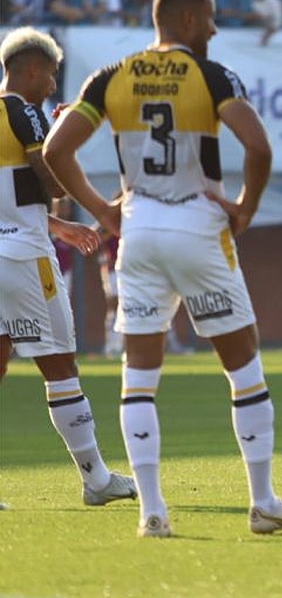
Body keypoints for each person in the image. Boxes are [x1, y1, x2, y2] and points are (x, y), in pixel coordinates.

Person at [42, 0, 282, 537]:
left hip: (136, 233)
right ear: (188, 19)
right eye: (209, 16)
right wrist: (245, 208)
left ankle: (152, 512)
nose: (214, 27)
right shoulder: (212, 76)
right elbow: (257, 146)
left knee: (138, 377)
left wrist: (104, 211)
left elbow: (55, 149)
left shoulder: (110, 77)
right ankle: (261, 502)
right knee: (244, 370)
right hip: (197, 226)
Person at [0, 26, 137, 507]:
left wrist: (57, 228)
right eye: (52, 74)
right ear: (32, 69)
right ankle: (97, 479)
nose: (53, 85)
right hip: (23, 261)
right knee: (60, 366)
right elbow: (49, 182)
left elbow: (13, 197)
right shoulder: (23, 111)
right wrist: (56, 135)